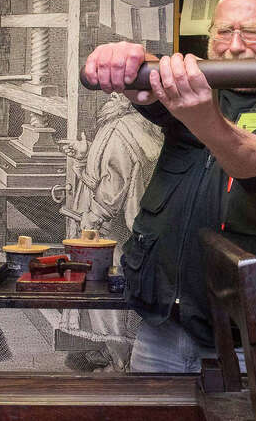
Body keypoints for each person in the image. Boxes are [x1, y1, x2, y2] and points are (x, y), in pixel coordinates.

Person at [82, 0, 256, 372]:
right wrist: (125, 61)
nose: (234, 47)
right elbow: (149, 94)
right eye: (223, 32)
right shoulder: (198, 88)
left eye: (251, 32)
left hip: (243, 341)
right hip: (161, 327)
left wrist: (205, 120)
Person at [59, 93, 163, 370]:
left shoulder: (120, 129)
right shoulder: (138, 124)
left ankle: (121, 361)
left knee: (106, 292)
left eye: (116, 92)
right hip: (134, 228)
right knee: (118, 290)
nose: (110, 97)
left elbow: (112, 188)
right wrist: (85, 156)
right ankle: (116, 352)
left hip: (111, 231)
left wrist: (92, 219)